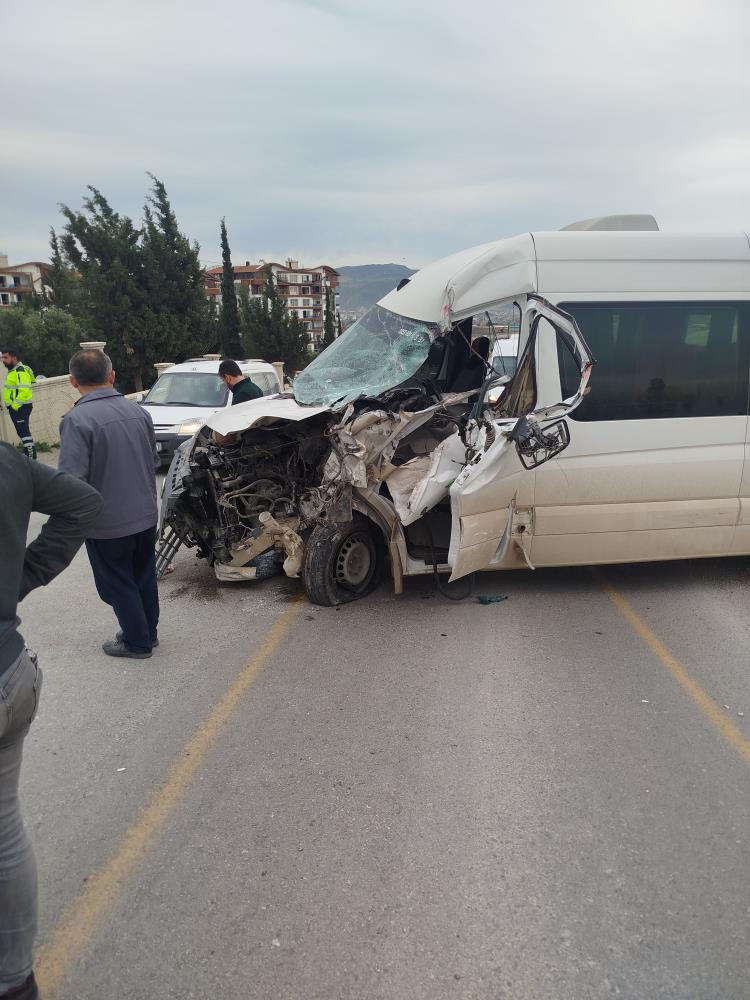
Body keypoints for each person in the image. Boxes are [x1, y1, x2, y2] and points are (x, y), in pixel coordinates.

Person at [0, 444, 102, 1000]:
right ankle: (16, 980)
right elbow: (83, 502)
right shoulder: (9, 462)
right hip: (10, 672)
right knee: (4, 831)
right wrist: (22, 577)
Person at [58, 349, 161, 660]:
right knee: (143, 575)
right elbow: (154, 461)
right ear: (112, 376)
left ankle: (136, 642)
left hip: (107, 523)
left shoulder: (77, 420)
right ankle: (147, 633)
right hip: (144, 514)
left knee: (117, 582)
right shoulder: (140, 413)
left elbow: (70, 482)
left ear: (73, 382)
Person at [2, 350, 36, 460]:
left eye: (6, 358)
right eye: (2, 358)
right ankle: (28, 454)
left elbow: (24, 391)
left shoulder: (20, 371)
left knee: (24, 432)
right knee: (22, 432)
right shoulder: (13, 371)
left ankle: (31, 458)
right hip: (17, 407)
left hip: (20, 407)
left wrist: (14, 406)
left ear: (14, 358)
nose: (3, 361)